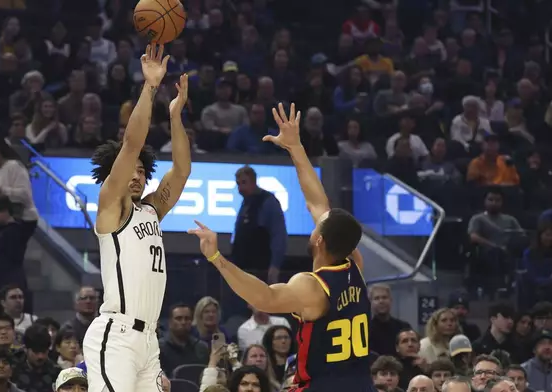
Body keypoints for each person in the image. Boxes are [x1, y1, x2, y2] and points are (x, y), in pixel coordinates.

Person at [188, 103, 371, 392]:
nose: (315, 224)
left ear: (320, 240)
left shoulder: (312, 285)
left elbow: (264, 298)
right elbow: (317, 203)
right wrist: (295, 147)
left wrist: (216, 257)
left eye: (317, 227)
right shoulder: (355, 266)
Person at [82, 44, 192, 392]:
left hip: (148, 341)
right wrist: (151, 87)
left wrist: (175, 116)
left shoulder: (152, 210)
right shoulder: (112, 207)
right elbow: (131, 144)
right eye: (132, 170)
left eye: (143, 172)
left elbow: (182, 170)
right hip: (116, 335)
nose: (136, 175)